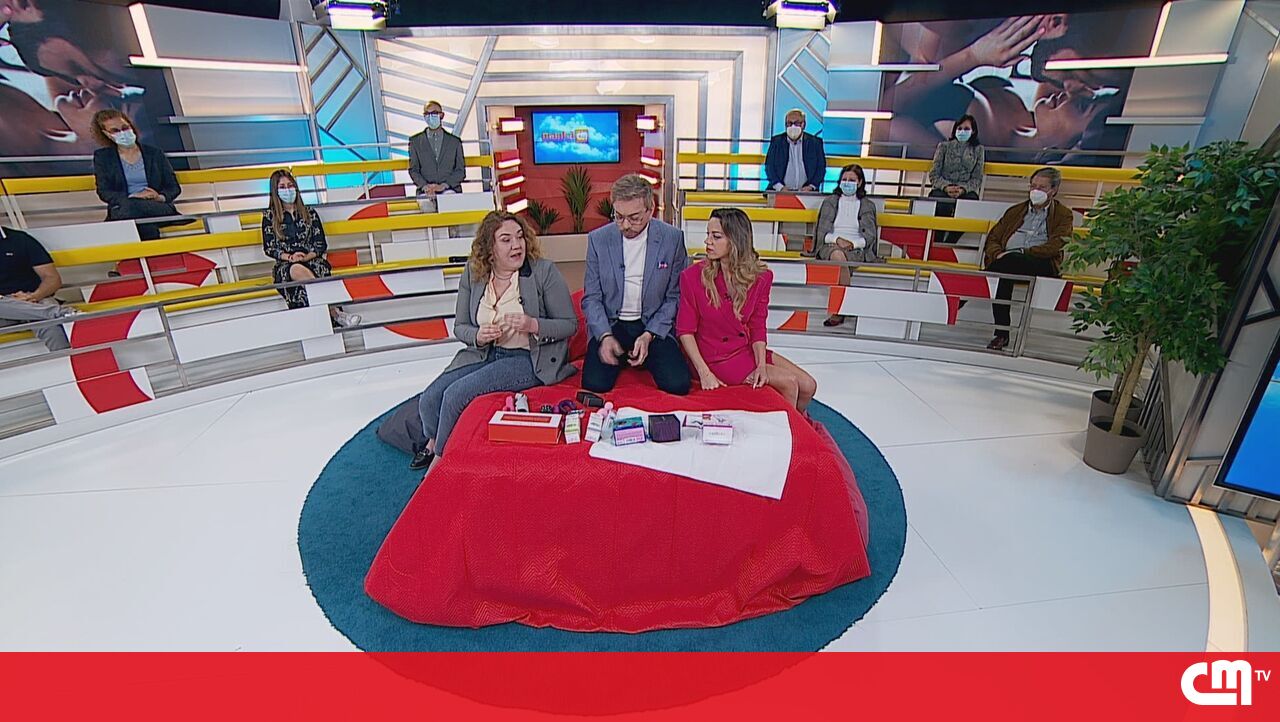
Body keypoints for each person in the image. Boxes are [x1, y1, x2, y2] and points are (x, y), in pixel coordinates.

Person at [410, 210, 578, 470]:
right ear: (490, 247)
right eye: (506, 240)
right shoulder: (473, 273)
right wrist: (478, 335)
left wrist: (532, 324)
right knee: (430, 398)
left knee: (455, 395)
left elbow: (569, 325)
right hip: (484, 353)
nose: (517, 245)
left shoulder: (543, 271)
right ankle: (432, 442)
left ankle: (440, 463)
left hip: (527, 358)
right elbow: (460, 327)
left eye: (520, 237)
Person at [677, 208, 817, 412]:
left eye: (716, 236)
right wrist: (704, 373)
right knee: (789, 383)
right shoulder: (692, 277)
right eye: (708, 235)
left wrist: (761, 366)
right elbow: (685, 331)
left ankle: (799, 423)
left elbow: (757, 325)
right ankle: (790, 429)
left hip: (744, 349)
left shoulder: (761, 277)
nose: (707, 241)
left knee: (808, 386)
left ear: (736, 241)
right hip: (715, 356)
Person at [581, 174, 691, 396]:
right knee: (594, 384)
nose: (625, 225)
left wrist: (650, 334)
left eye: (634, 218)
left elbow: (675, 297)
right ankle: (623, 353)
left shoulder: (672, 239)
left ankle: (641, 352)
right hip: (613, 324)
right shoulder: (598, 240)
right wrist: (604, 336)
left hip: (652, 323)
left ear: (650, 211)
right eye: (619, 217)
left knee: (677, 384)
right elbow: (591, 297)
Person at [981, 167, 1071, 351]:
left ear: (1054, 190)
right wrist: (997, 254)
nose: (1035, 190)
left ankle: (969, 293)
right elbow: (993, 238)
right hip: (1008, 262)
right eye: (1033, 186)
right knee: (1005, 272)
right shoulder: (1015, 211)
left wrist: (1022, 252)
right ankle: (1001, 335)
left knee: (1009, 263)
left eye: (1042, 187)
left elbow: (1056, 245)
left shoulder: (1063, 215)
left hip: (1041, 262)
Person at [261, 169, 360, 328]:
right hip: (287, 264)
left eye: (290, 185)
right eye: (282, 187)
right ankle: (335, 313)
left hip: (311, 260)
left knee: (317, 270)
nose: (288, 190)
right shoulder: (269, 216)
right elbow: (269, 247)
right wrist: (291, 257)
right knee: (296, 270)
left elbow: (320, 243)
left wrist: (306, 257)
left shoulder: (310, 213)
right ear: (275, 190)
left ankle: (328, 317)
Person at [91, 109, 181, 241]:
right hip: (126, 206)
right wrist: (131, 197)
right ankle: (153, 250)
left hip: (156, 207)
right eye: (115, 130)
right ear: (106, 134)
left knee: (129, 212)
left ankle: (145, 252)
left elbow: (173, 187)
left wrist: (159, 197)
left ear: (131, 126)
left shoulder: (154, 153)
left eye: (125, 127)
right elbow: (104, 191)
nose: (122, 132)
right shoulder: (103, 157)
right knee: (138, 216)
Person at [812, 163, 882, 327]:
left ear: (860, 182)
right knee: (838, 255)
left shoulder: (867, 205)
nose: (847, 183)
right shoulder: (830, 202)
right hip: (830, 246)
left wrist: (853, 243)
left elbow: (870, 235)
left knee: (841, 260)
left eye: (851, 180)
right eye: (844, 179)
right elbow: (822, 233)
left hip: (856, 249)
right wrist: (837, 240)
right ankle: (843, 307)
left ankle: (840, 308)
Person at [0, 225, 73, 351]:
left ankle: (68, 359)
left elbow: (52, 278)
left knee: (51, 326)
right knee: (47, 316)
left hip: (33, 299)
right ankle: (58, 313)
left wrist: (34, 296)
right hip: (4, 308)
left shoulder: (20, 239)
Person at [928, 114, 985, 245]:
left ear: (973, 131)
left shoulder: (978, 150)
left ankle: (950, 243)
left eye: (966, 129)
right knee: (941, 203)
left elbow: (977, 178)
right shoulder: (944, 146)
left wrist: (963, 189)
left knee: (971, 203)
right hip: (943, 189)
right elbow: (934, 174)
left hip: (964, 190)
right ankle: (936, 241)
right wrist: (946, 187)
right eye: (959, 128)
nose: (962, 131)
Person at [408, 100, 466, 199]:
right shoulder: (415, 142)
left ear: (442, 115)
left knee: (449, 199)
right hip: (425, 191)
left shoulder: (454, 142)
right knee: (425, 203)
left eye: (434, 113)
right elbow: (414, 170)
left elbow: (460, 171)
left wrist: (443, 186)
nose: (430, 116)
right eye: (427, 114)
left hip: (450, 189)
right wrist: (425, 187)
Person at [764, 109, 826, 192]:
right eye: (789, 123)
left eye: (796, 123)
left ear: (803, 124)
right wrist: (780, 187)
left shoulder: (815, 143)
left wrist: (811, 186)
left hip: (807, 192)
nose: (792, 126)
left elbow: (820, 168)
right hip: (780, 191)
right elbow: (769, 167)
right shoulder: (776, 142)